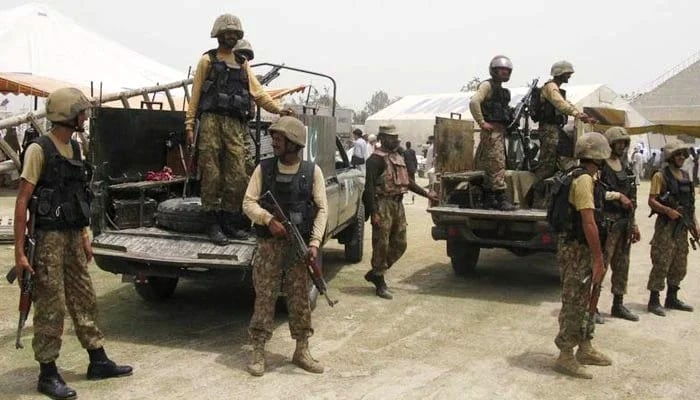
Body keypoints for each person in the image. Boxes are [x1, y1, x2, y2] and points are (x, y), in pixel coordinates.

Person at [14, 88, 132, 399]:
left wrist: (84, 237)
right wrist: (19, 252)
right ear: (67, 114)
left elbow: (78, 197)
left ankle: (97, 358)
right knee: (52, 305)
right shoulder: (39, 150)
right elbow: (22, 202)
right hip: (48, 239)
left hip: (72, 236)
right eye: (81, 112)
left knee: (84, 297)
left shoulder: (76, 148)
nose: (85, 117)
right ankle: (48, 371)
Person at [185, 14, 291, 245]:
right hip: (211, 122)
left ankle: (228, 221)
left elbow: (259, 94)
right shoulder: (207, 61)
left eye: (235, 33)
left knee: (237, 176)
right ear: (219, 35)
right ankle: (212, 223)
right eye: (228, 33)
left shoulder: (243, 64)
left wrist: (279, 109)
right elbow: (195, 97)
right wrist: (190, 125)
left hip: (234, 125)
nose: (231, 36)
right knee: (211, 175)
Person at [242, 116, 328, 376]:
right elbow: (248, 203)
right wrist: (268, 220)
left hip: (298, 247)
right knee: (265, 297)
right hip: (269, 246)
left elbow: (322, 208)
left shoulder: (312, 172)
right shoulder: (264, 169)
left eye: (279, 138)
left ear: (293, 143)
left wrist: (314, 243)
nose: (274, 141)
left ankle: (302, 350)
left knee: (300, 297)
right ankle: (258, 350)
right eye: (274, 137)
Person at [553, 131, 612, 379]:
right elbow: (588, 222)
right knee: (574, 301)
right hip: (578, 249)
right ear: (600, 156)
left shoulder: (583, 177)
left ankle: (585, 347)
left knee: (589, 298)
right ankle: (565, 354)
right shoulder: (583, 180)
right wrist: (598, 259)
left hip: (580, 248)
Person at [362, 125, 438, 299]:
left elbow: (408, 182)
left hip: (398, 204)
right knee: (381, 243)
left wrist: (427, 194)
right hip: (383, 204)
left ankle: (376, 272)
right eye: (391, 137)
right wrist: (373, 212)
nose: (396, 140)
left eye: (396, 137)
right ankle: (380, 281)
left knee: (400, 243)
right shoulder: (375, 160)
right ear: (382, 138)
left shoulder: (398, 156)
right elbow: (369, 188)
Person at [530, 61, 596, 208]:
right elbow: (560, 104)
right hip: (549, 129)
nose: (569, 77)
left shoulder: (556, 88)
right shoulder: (551, 87)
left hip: (554, 129)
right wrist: (576, 114)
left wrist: (581, 114)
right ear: (560, 73)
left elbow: (567, 104)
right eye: (567, 74)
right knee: (546, 164)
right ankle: (537, 198)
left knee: (558, 162)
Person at [646, 139, 698, 317]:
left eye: (683, 154)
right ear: (670, 156)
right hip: (666, 227)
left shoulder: (685, 176)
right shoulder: (660, 176)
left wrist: (695, 225)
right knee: (661, 261)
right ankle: (654, 300)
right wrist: (667, 210)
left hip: (682, 227)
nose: (682, 157)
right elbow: (651, 200)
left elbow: (690, 204)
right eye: (678, 154)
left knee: (679, 262)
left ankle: (672, 297)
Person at [599, 127, 640, 322]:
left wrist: (634, 224)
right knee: (601, 265)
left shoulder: (625, 166)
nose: (622, 146)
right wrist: (618, 196)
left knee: (622, 265)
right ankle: (593, 306)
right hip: (607, 222)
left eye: (624, 142)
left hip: (624, 223)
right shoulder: (601, 166)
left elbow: (632, 197)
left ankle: (618, 304)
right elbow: (596, 192)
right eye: (619, 142)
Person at [469, 55, 516, 211]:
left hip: (498, 131)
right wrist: (482, 123)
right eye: (501, 70)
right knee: (497, 164)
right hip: (492, 132)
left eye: (507, 70)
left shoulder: (501, 90)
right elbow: (474, 101)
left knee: (491, 166)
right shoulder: (487, 86)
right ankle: (500, 199)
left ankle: (490, 199)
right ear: (494, 70)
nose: (504, 73)